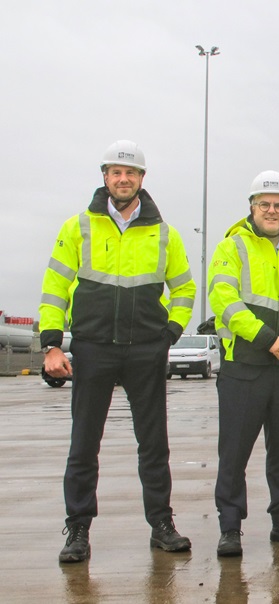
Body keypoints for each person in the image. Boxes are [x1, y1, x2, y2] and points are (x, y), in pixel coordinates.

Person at [40, 140, 196, 563]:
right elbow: (55, 287)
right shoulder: (79, 227)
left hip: (146, 351)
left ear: (142, 179)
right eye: (115, 172)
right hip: (93, 350)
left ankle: (161, 524)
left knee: (154, 444)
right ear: (105, 177)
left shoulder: (164, 233)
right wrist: (52, 345)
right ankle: (78, 530)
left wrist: (170, 333)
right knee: (84, 444)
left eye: (131, 173)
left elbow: (184, 288)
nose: (123, 179)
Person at [209, 170, 279, 557]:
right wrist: (268, 339)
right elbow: (224, 299)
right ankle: (229, 526)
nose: (271, 211)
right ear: (252, 208)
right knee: (235, 452)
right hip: (245, 367)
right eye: (264, 204)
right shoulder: (232, 248)